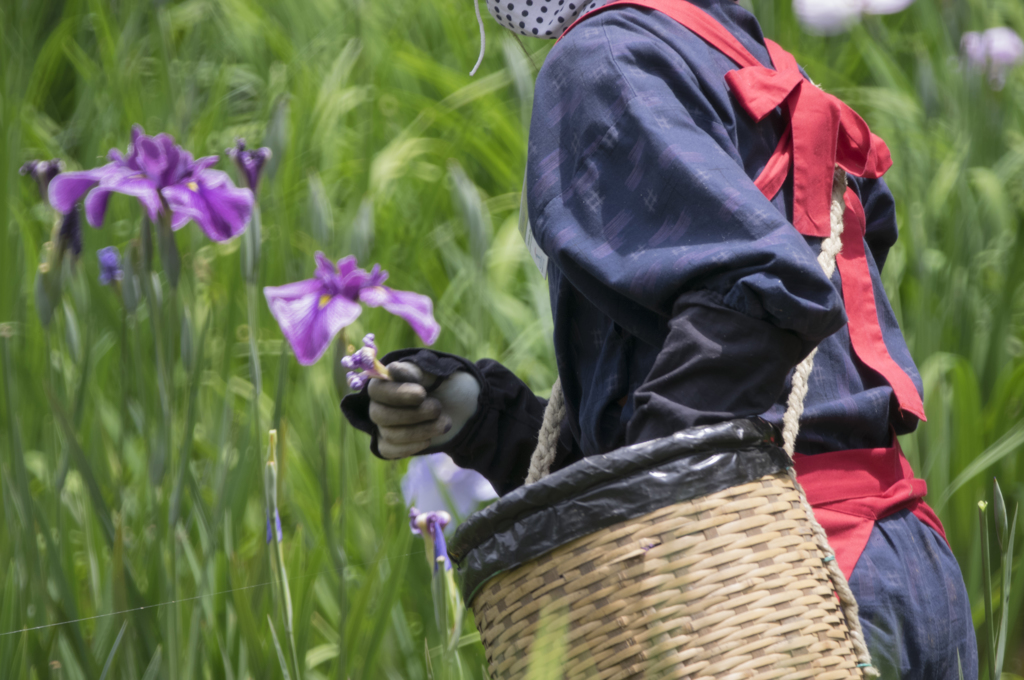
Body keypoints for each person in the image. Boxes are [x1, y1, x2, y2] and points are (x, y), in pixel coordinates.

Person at [342, 0, 978, 676]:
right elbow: (717, 400)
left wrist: (647, 534)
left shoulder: (604, 57)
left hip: (761, 587)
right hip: (901, 569)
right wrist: (484, 418)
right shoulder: (730, 51)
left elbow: (760, 294)